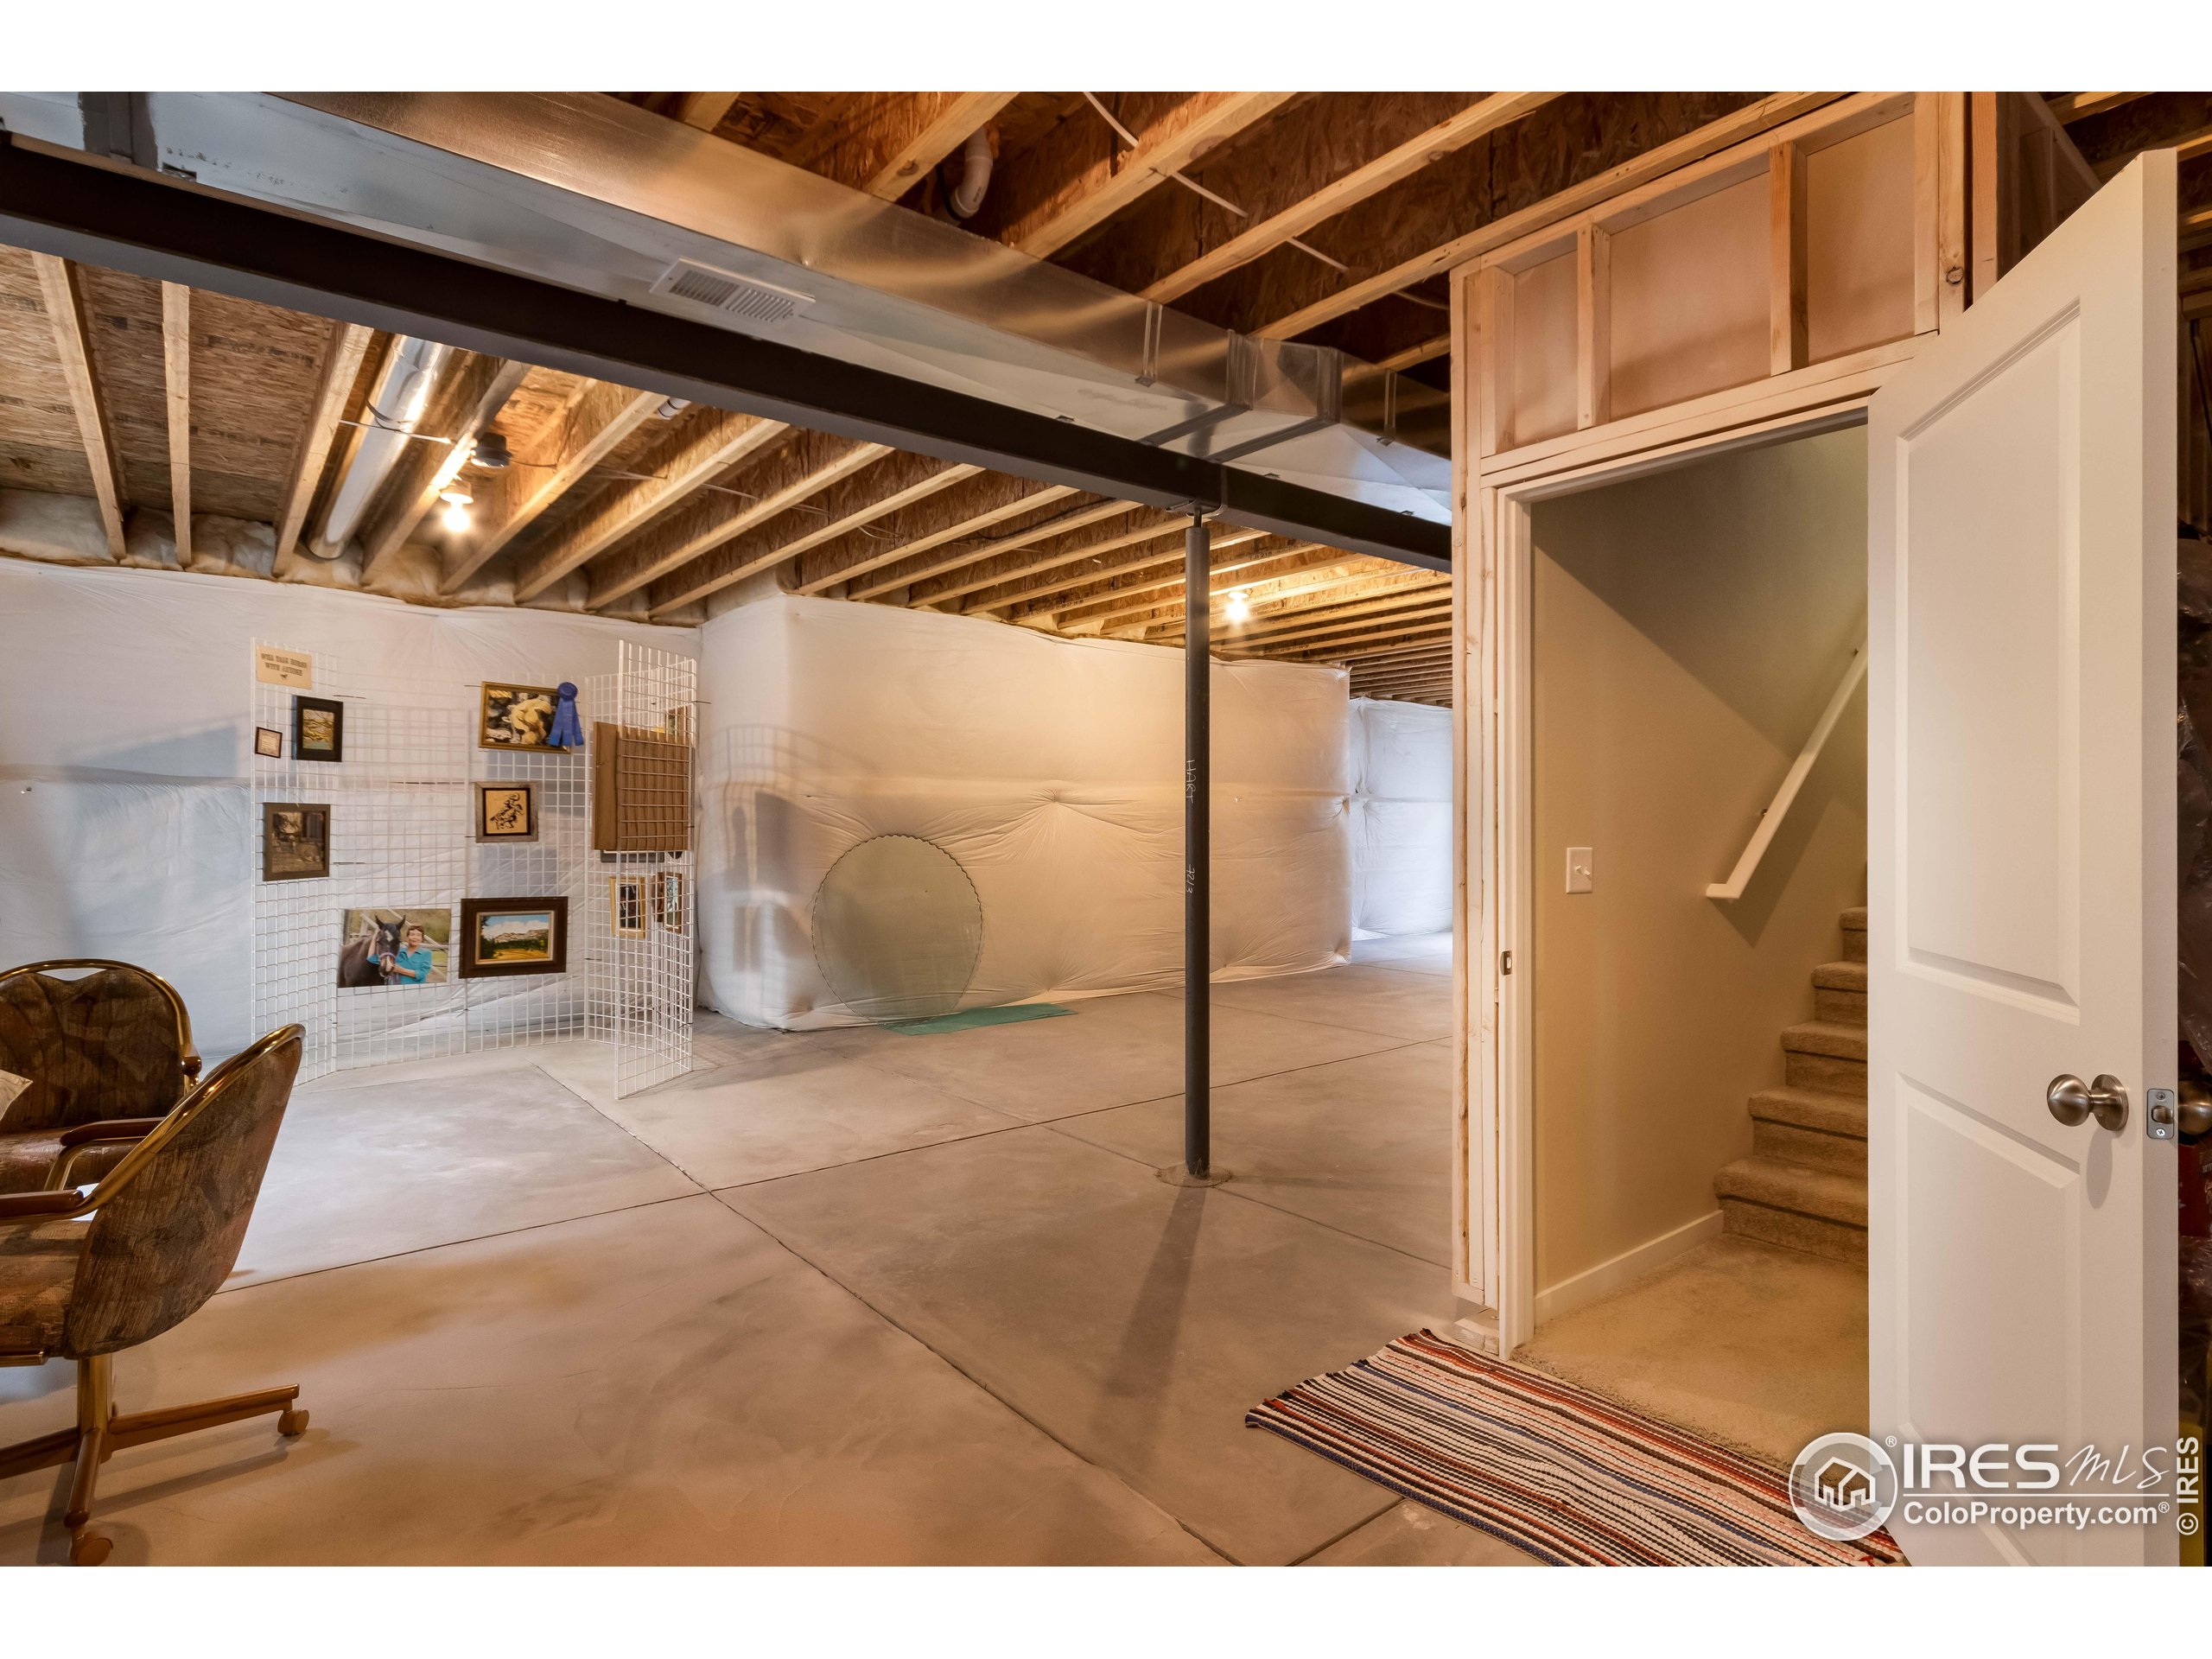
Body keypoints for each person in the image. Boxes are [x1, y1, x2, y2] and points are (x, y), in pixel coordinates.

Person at [379, 922, 438, 986]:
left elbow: (421, 974)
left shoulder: (426, 953)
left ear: (422, 938)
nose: (415, 937)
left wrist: (401, 970)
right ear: (407, 937)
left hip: (416, 989)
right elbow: (374, 960)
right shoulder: (398, 951)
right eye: (412, 934)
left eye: (418, 935)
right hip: (396, 988)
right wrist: (375, 937)